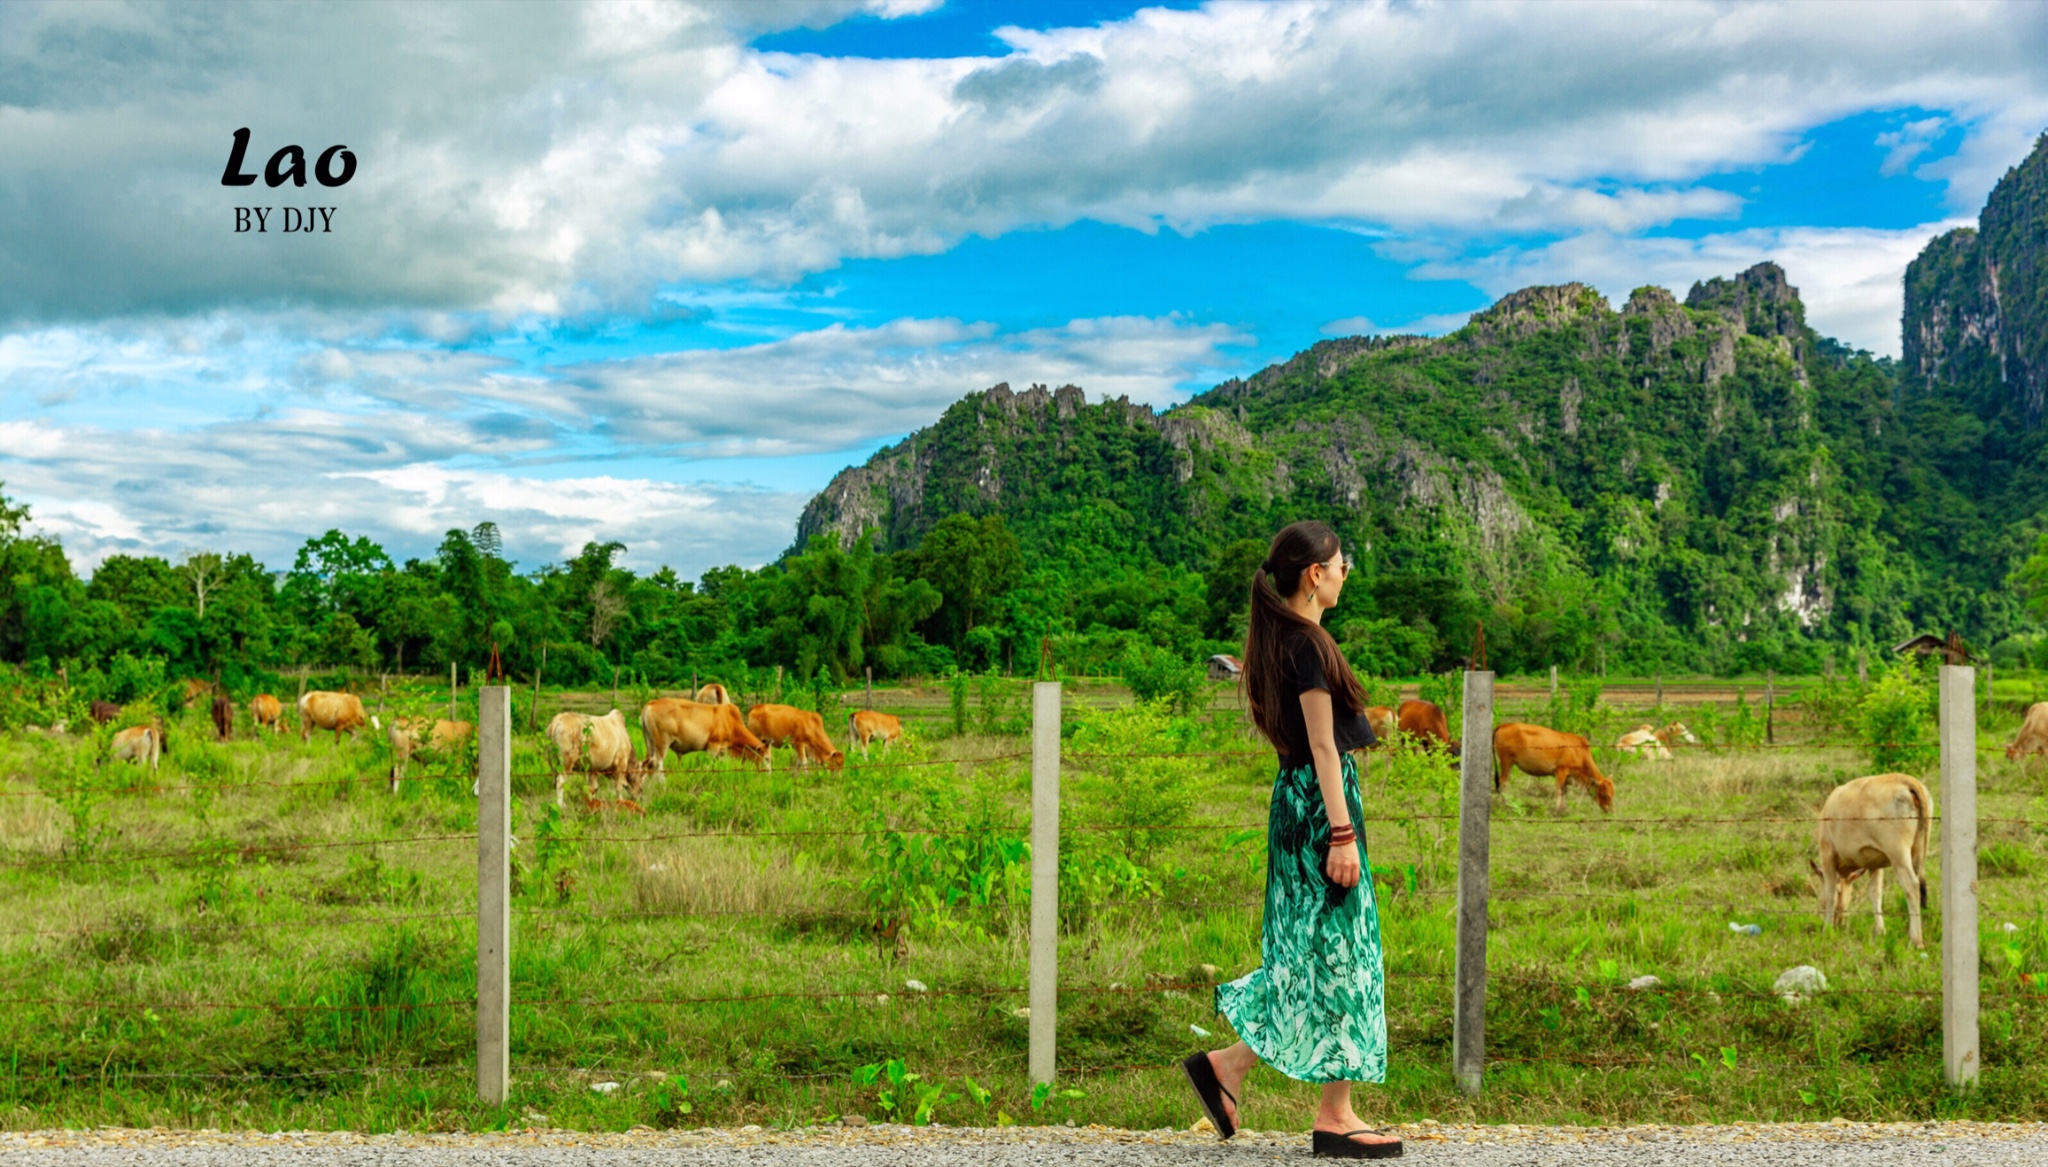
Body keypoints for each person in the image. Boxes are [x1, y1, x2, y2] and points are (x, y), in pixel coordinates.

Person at [1181, 520, 1399, 1160]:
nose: (1344, 572)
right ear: (1314, 574)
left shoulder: (1283, 640)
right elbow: (1323, 746)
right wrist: (1342, 833)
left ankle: (1231, 1068)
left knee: (1319, 952)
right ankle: (1332, 1114)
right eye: (1340, 563)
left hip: (1299, 804)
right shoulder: (1305, 645)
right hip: (1317, 811)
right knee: (1344, 953)